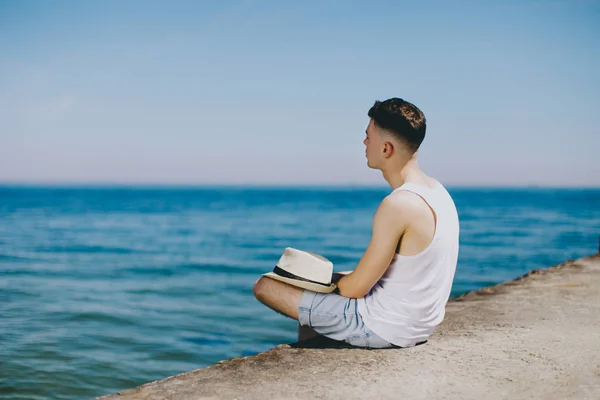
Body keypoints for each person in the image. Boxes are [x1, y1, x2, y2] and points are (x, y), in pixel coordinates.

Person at [253, 97, 460, 348]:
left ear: (386, 149)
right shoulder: (438, 191)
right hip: (419, 326)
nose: (364, 143)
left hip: (383, 327)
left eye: (368, 137)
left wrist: (317, 281)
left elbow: (355, 290)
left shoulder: (398, 204)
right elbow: (404, 273)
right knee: (318, 290)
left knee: (266, 286)